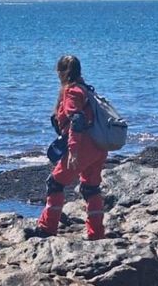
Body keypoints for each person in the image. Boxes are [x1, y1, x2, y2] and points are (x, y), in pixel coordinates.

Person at [33, 55, 107, 240]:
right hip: (98, 146)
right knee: (91, 188)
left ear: (61, 72)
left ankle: (47, 228)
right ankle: (96, 233)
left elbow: (77, 120)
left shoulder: (72, 92)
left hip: (82, 147)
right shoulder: (87, 89)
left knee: (55, 183)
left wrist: (73, 150)